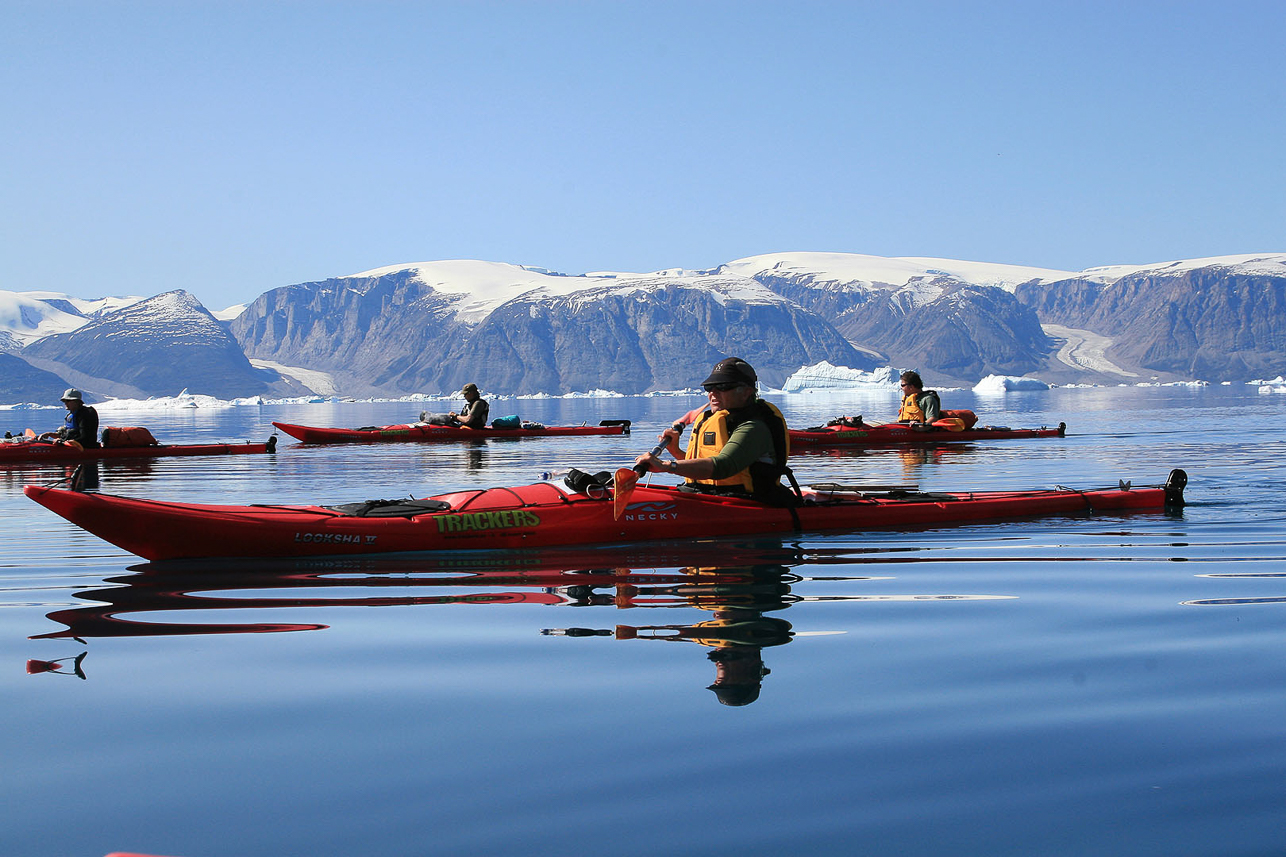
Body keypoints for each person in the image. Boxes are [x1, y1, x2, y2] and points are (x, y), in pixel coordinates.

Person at [634, 357, 796, 505]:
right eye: (709, 387)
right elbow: (707, 469)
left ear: (747, 392)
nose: (712, 393)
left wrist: (666, 465)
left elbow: (723, 466)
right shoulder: (719, 419)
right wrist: (677, 452)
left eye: (723, 387)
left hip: (748, 502)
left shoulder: (754, 427)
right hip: (711, 496)